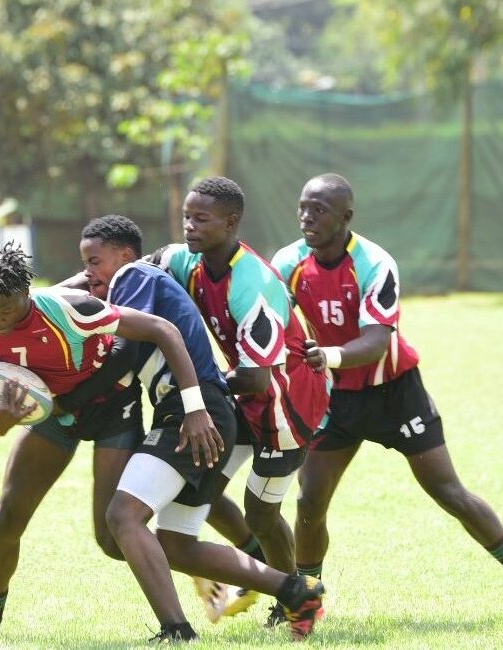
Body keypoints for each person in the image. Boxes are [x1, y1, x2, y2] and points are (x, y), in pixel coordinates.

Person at [270, 173, 503, 620]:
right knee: (310, 501)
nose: (307, 216)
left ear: (346, 217)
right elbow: (271, 318)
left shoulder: (374, 263)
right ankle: (306, 601)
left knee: (447, 491)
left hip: (395, 394)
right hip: (335, 397)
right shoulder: (289, 261)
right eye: (303, 206)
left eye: (320, 209)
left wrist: (325, 354)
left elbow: (376, 341)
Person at [66, 215, 327, 642]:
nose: (87, 273)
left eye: (94, 262)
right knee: (176, 545)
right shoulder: (137, 277)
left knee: (123, 515)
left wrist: (67, 396)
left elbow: (123, 352)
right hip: (205, 410)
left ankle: (176, 630)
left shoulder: (134, 277)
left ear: (126, 256)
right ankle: (297, 590)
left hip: (193, 413)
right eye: (83, 265)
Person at [0, 243, 222, 644]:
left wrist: (195, 406)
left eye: (6, 309)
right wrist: (0, 419)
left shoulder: (71, 309)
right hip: (51, 417)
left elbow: (162, 330)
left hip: (111, 409)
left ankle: (203, 575)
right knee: (6, 518)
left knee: (114, 537)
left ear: (27, 293)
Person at [147, 177, 330, 627]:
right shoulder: (188, 259)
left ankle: (296, 601)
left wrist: (196, 393)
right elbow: (145, 265)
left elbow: (254, 376)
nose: (189, 226)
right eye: (187, 216)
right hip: (244, 397)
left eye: (200, 219)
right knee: (203, 487)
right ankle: (262, 577)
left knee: (262, 512)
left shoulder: (253, 283)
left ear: (231, 222)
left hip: (284, 406)